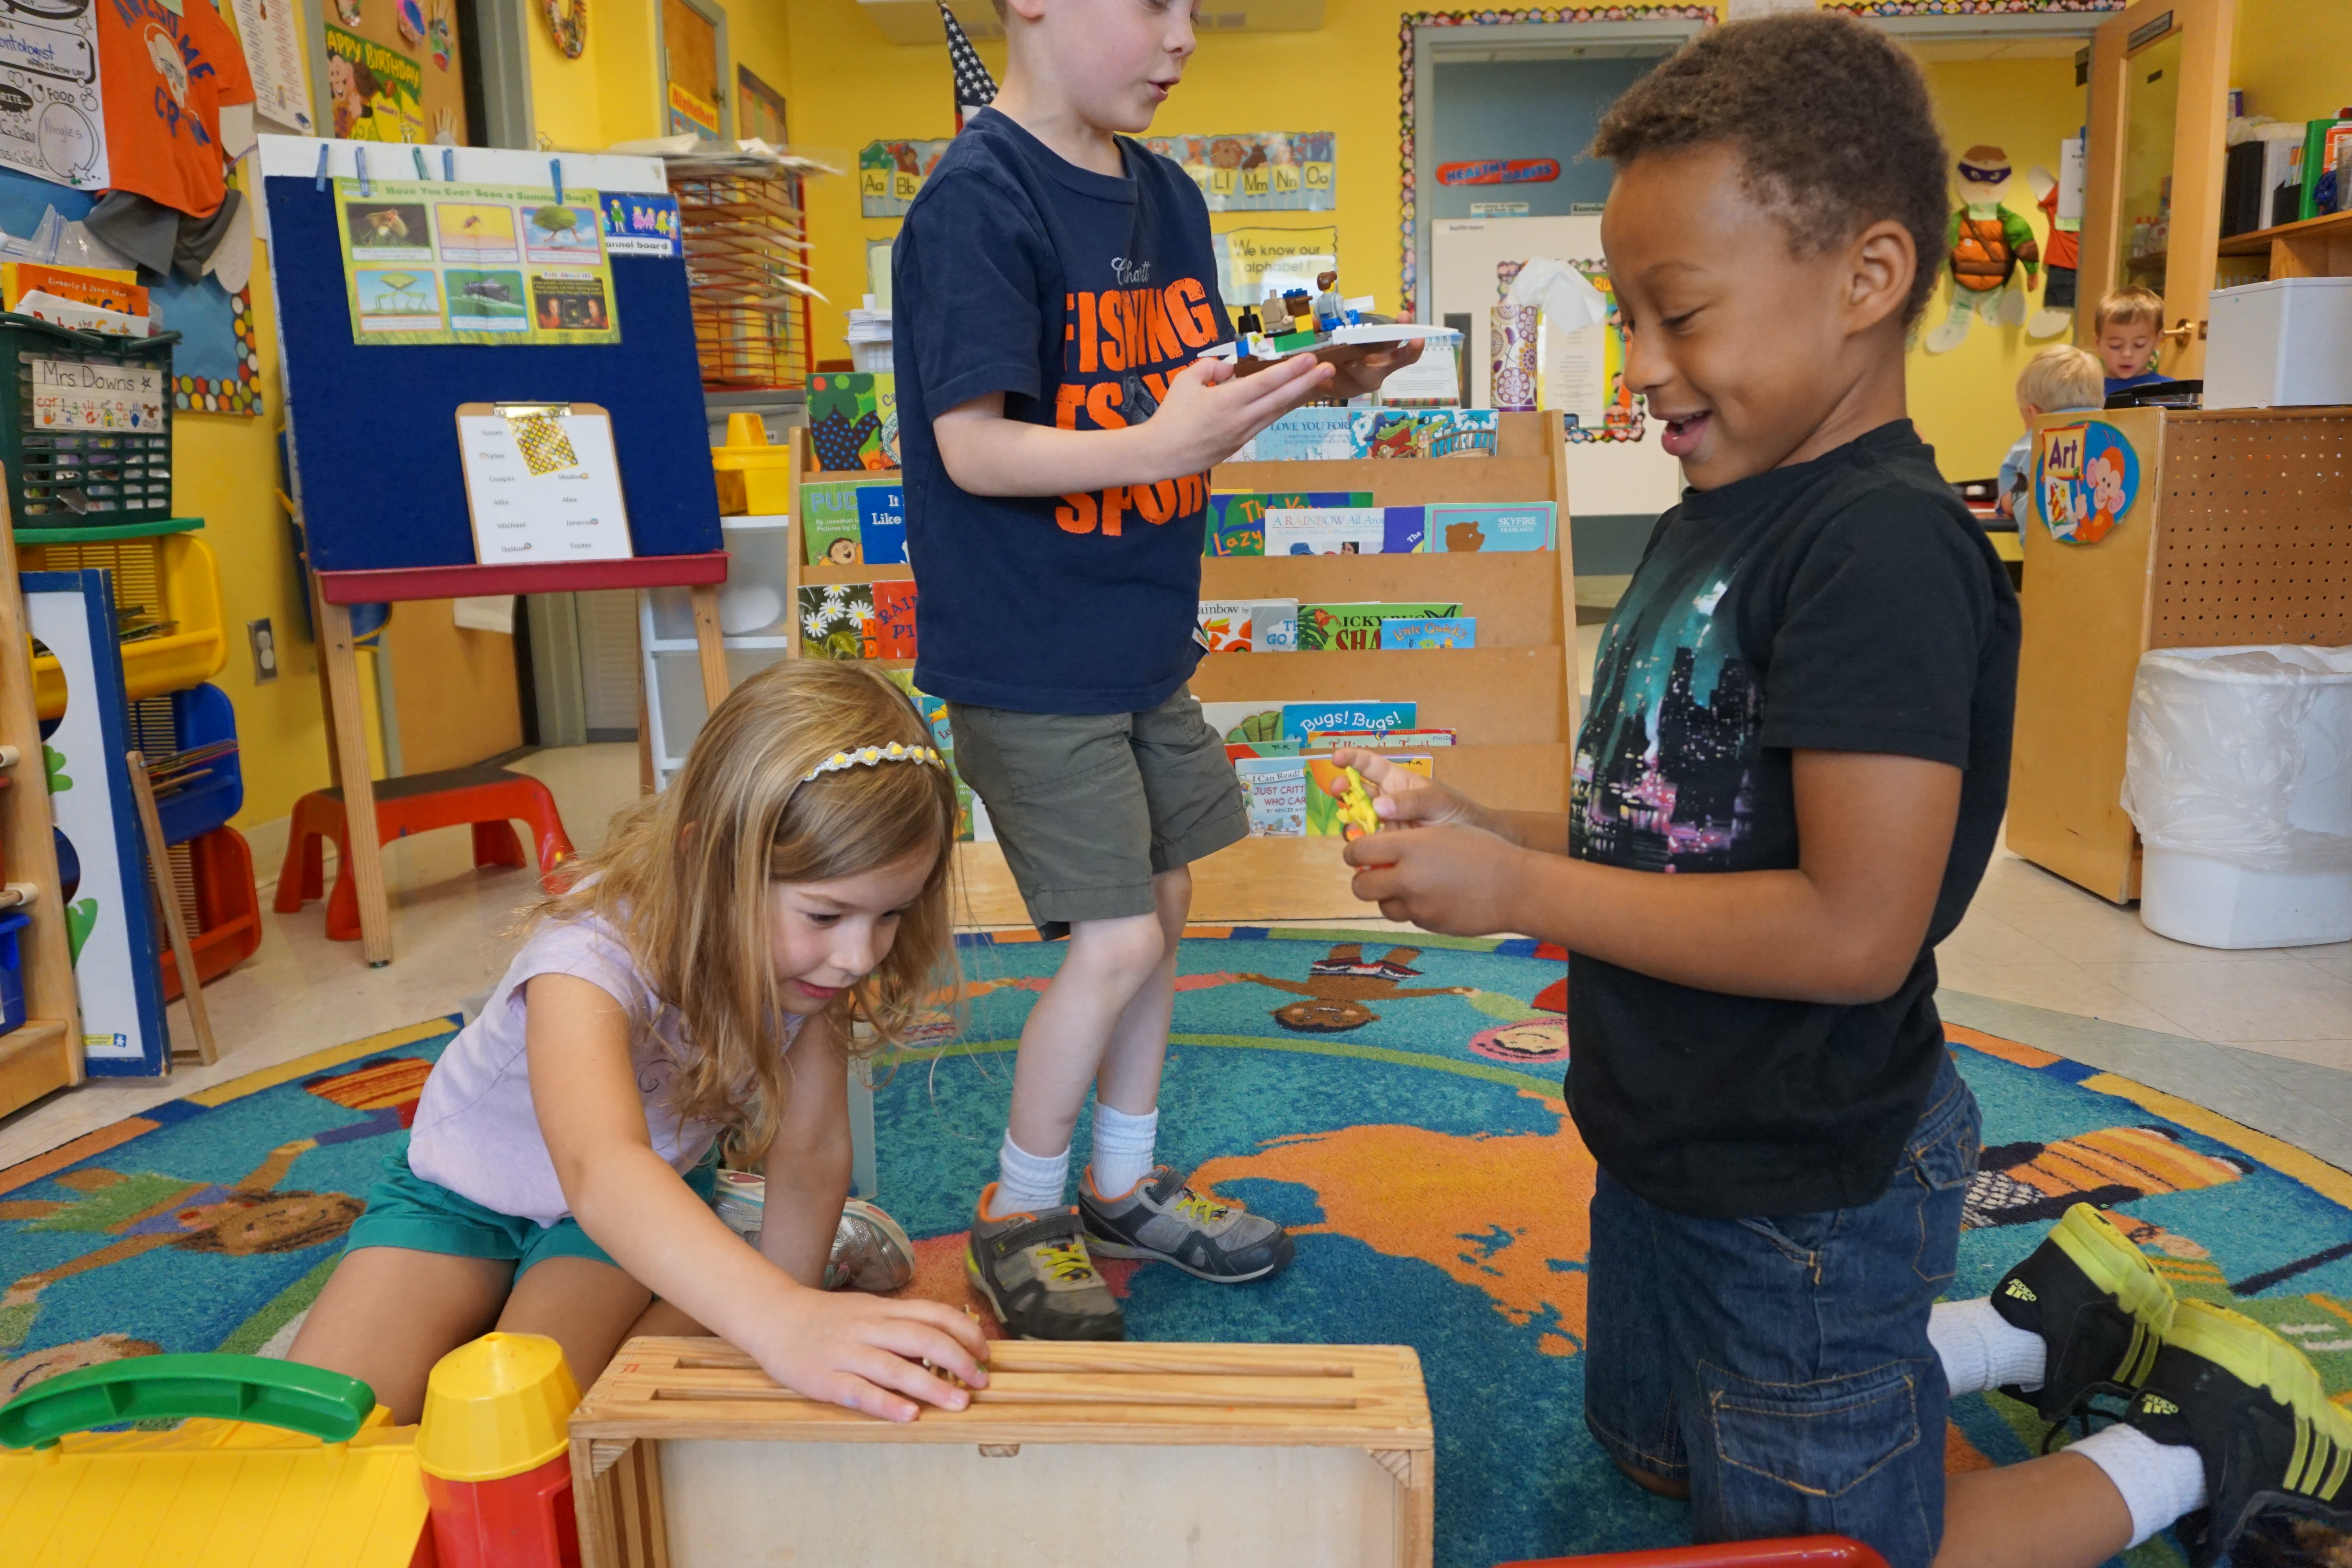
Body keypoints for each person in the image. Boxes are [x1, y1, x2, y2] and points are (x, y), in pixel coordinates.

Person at [1328, 16, 2351, 1568]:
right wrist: (1498, 838)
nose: (1643, 366)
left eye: (1680, 315)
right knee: (1668, 1453)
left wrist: (1526, 894)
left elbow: (1855, 929)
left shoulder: (1878, 553)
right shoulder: (1717, 510)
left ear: (1867, 280)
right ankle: (2024, 1332)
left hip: (1802, 1170)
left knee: (1852, 1552)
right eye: (1628, 315)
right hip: (1669, 1140)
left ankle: (2202, 1443)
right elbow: (1669, 837)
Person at [889, 0, 1420, 1340]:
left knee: (1168, 901)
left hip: (1140, 630)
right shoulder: (976, 201)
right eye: (1152, 3)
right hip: (1026, 647)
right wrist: (1161, 446)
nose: (1183, 36)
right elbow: (976, 450)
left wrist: (1319, 376)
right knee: (1115, 932)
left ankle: (1123, 1184)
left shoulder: (1169, 195)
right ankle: (1019, 1210)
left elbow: (1180, 406)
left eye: (1198, 8)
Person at [289, 662, 990, 1423]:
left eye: (889, 914)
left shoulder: (806, 966)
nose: (860, 955)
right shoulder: (585, 955)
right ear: (704, 860)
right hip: (465, 1195)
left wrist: (792, 1311)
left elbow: (813, 1147)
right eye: (826, 915)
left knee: (528, 1416)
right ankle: (730, 1245)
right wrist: (781, 1316)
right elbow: (601, 1164)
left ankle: (731, 1247)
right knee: (327, 1423)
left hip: (625, 1209)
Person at [1998, 343, 2103, 537]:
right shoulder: (2110, 436)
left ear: (2032, 412)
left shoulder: (2030, 444)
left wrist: (2009, 499)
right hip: (2106, 548)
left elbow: (2010, 502)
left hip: (2046, 555)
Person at [2095, 283, 2174, 398]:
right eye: (2115, 346)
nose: (2127, 354)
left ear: (2157, 340)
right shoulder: (2088, 392)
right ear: (2098, 342)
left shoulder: (2171, 390)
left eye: (2139, 345)